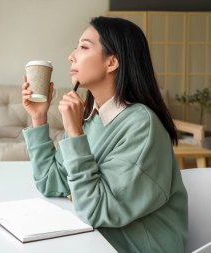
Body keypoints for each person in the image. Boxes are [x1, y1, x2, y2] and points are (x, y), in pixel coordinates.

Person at [21, 16, 188, 253]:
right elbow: (50, 181)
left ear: (112, 62)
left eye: (84, 46)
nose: (72, 55)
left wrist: (75, 133)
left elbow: (96, 210)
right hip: (97, 240)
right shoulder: (93, 118)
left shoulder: (141, 125)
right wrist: (39, 118)